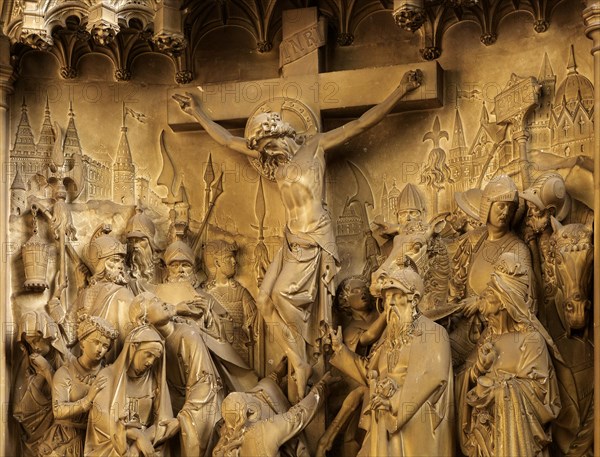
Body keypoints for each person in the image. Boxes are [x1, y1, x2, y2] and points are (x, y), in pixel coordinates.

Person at [173, 69, 423, 398]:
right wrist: (198, 113)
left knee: (279, 297)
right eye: (262, 147)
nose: (266, 151)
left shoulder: (316, 147)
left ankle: (306, 353)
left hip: (315, 239)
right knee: (264, 299)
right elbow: (229, 141)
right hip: (291, 239)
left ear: (281, 132)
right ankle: (298, 358)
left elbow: (362, 123)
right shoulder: (273, 161)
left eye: (269, 143)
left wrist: (399, 91)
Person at [329, 265, 454, 456]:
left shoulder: (433, 333)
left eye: (397, 296)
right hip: (383, 424)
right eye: (387, 297)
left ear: (415, 299)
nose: (391, 303)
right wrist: (340, 350)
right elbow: (369, 372)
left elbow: (433, 377)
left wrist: (393, 403)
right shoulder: (389, 338)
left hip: (415, 425)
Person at [457, 252, 562, 456]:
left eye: (490, 290)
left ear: (504, 300)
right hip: (484, 441)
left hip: (517, 443)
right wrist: (478, 368)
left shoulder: (531, 340)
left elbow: (541, 394)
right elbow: (463, 381)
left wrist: (498, 390)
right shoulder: (488, 339)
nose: (484, 292)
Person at [129, 292, 224, 457]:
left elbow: (205, 382)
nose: (163, 302)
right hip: (171, 407)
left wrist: (181, 419)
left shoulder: (187, 335)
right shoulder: (151, 347)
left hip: (202, 404)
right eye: (156, 301)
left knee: (190, 439)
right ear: (144, 320)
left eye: (160, 298)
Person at [84, 325, 179, 456]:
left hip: (147, 445)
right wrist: (136, 435)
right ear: (134, 348)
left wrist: (140, 443)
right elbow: (101, 418)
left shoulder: (154, 381)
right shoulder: (108, 375)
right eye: (148, 355)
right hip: (112, 445)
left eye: (155, 358)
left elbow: (164, 421)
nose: (151, 362)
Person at [213, 363, 336, 457]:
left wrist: (275, 375)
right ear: (250, 411)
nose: (254, 396)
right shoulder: (263, 431)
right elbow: (298, 416)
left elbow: (258, 391)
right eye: (251, 397)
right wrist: (322, 386)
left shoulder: (225, 444)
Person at [39, 314, 118, 457]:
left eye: (105, 345)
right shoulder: (65, 372)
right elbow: (58, 410)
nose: (100, 349)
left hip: (96, 440)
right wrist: (87, 400)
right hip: (64, 438)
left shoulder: (108, 375)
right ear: (82, 342)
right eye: (96, 342)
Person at [12, 310, 74, 457]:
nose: (34, 347)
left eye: (36, 340)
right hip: (33, 431)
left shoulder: (66, 362)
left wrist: (47, 370)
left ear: (48, 336)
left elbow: (67, 401)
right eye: (29, 343)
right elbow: (19, 408)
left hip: (59, 431)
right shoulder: (28, 363)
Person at [78, 226, 134, 360]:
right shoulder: (86, 292)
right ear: (101, 264)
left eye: (121, 261)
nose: (120, 266)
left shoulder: (123, 292)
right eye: (114, 261)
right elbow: (73, 328)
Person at [204, 239, 259, 367]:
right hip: (214, 354)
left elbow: (254, 324)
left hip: (239, 352)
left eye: (234, 258)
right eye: (229, 258)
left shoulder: (241, 292)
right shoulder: (206, 293)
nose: (234, 261)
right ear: (217, 262)